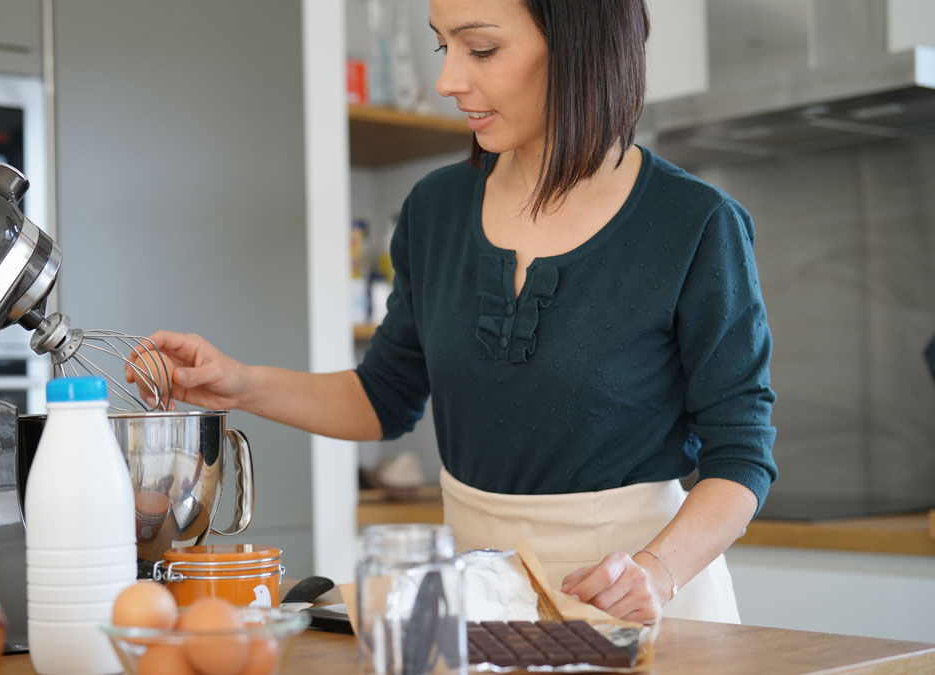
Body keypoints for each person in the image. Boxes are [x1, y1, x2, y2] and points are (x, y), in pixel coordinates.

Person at [131, 0, 776, 626]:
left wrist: (656, 571)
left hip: (642, 611)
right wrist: (239, 385)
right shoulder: (434, 211)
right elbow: (383, 397)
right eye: (445, 45)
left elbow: (742, 456)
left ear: (580, 44)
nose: (448, 80)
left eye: (483, 49)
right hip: (480, 605)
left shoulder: (694, 225)